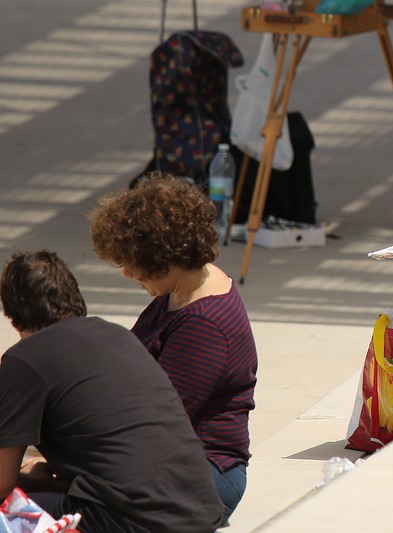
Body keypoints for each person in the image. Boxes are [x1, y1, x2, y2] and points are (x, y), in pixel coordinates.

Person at [0, 250, 223, 532]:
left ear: (13, 315)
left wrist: (36, 479)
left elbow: (2, 483)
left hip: (132, 519)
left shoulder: (24, 360)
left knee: (12, 511)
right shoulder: (118, 336)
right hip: (198, 512)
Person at [89, 174, 257, 526]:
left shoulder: (204, 324)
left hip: (204, 475)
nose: (128, 273)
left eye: (133, 264)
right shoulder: (179, 291)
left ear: (163, 256)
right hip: (172, 459)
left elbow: (155, 417)